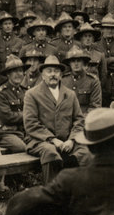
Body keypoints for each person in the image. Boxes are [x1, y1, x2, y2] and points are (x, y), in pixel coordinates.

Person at [24, 54, 88, 183]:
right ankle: (52, 192)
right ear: (42, 74)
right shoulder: (32, 94)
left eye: (56, 71)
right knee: (50, 152)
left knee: (85, 152)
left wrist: (72, 140)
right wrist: (53, 140)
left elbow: (79, 120)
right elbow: (31, 123)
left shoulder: (70, 94)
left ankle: (76, 190)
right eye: (49, 71)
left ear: (61, 75)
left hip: (67, 141)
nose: (53, 74)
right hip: (40, 141)